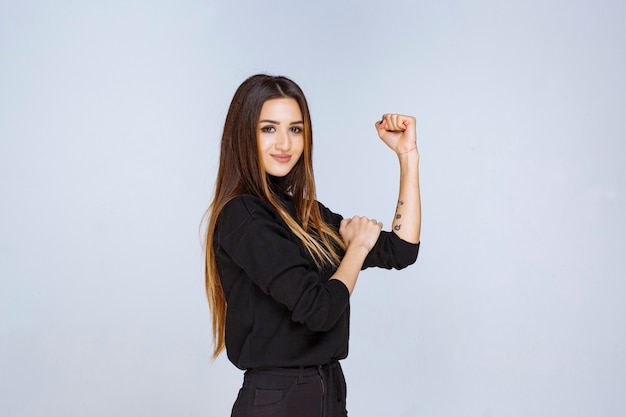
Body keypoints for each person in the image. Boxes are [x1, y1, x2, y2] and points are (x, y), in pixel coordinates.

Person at [203, 74, 421, 417]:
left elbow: (402, 249)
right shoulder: (242, 215)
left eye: (296, 129)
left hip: (328, 391)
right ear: (244, 135)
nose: (285, 144)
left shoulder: (305, 213)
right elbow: (319, 309)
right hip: (279, 398)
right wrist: (357, 250)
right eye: (269, 129)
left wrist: (407, 156)